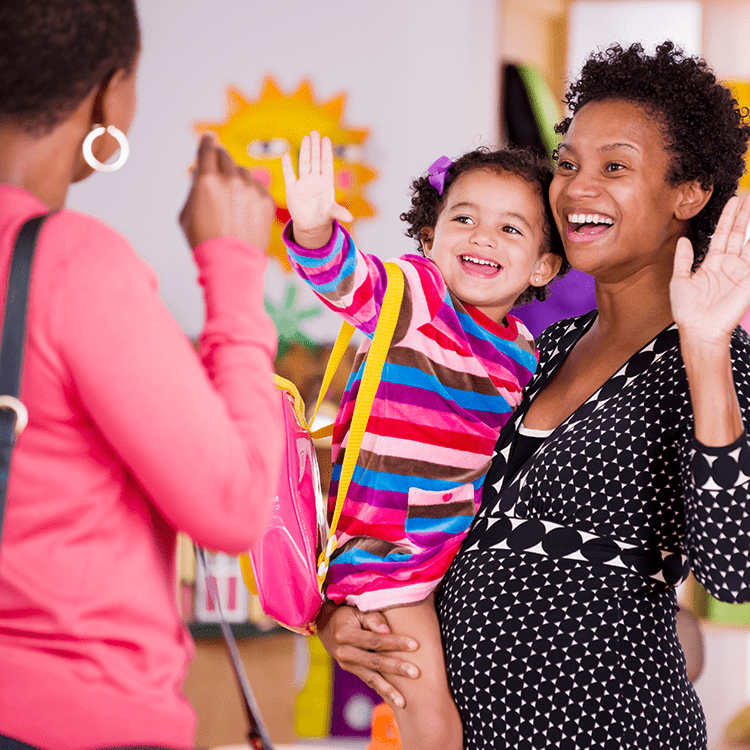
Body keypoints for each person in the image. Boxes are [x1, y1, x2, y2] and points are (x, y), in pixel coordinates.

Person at [317, 41, 750, 750]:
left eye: (615, 166)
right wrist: (347, 618)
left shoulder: (714, 355)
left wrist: (703, 350)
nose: (578, 187)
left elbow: (737, 568)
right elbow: (431, 499)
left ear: (689, 192)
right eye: (570, 163)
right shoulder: (533, 350)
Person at [0, 1, 283, 748]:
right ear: (109, 94)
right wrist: (233, 268)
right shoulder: (73, 265)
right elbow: (232, 506)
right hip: (70, 720)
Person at [281, 130, 568, 750]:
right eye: (463, 218)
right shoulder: (418, 296)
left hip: (454, 549)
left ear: (544, 266)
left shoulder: (522, 352)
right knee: (430, 718)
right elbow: (349, 280)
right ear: (430, 238)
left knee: (451, 703)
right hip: (393, 549)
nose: (483, 236)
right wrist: (313, 234)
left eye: (511, 229)